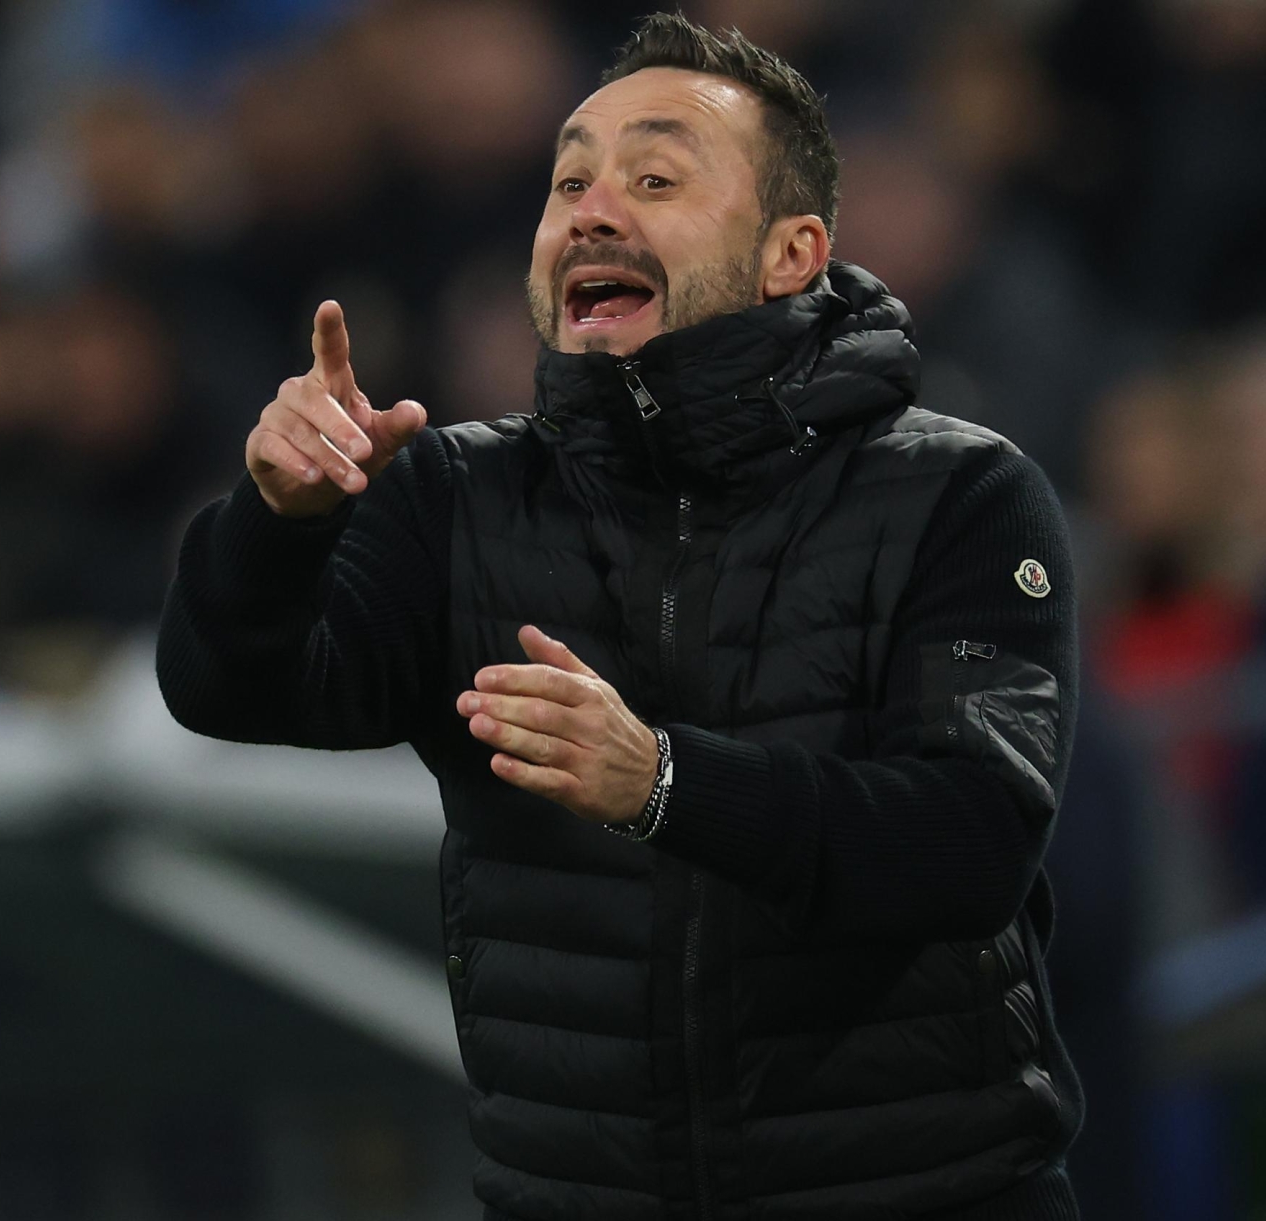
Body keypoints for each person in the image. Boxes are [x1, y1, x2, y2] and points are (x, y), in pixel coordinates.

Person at [157, 15, 1083, 1219]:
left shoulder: (958, 494)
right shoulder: (455, 497)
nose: (592, 210)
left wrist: (660, 784)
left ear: (790, 252)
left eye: (655, 178)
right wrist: (275, 525)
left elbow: (969, 845)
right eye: (569, 181)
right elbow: (229, 690)